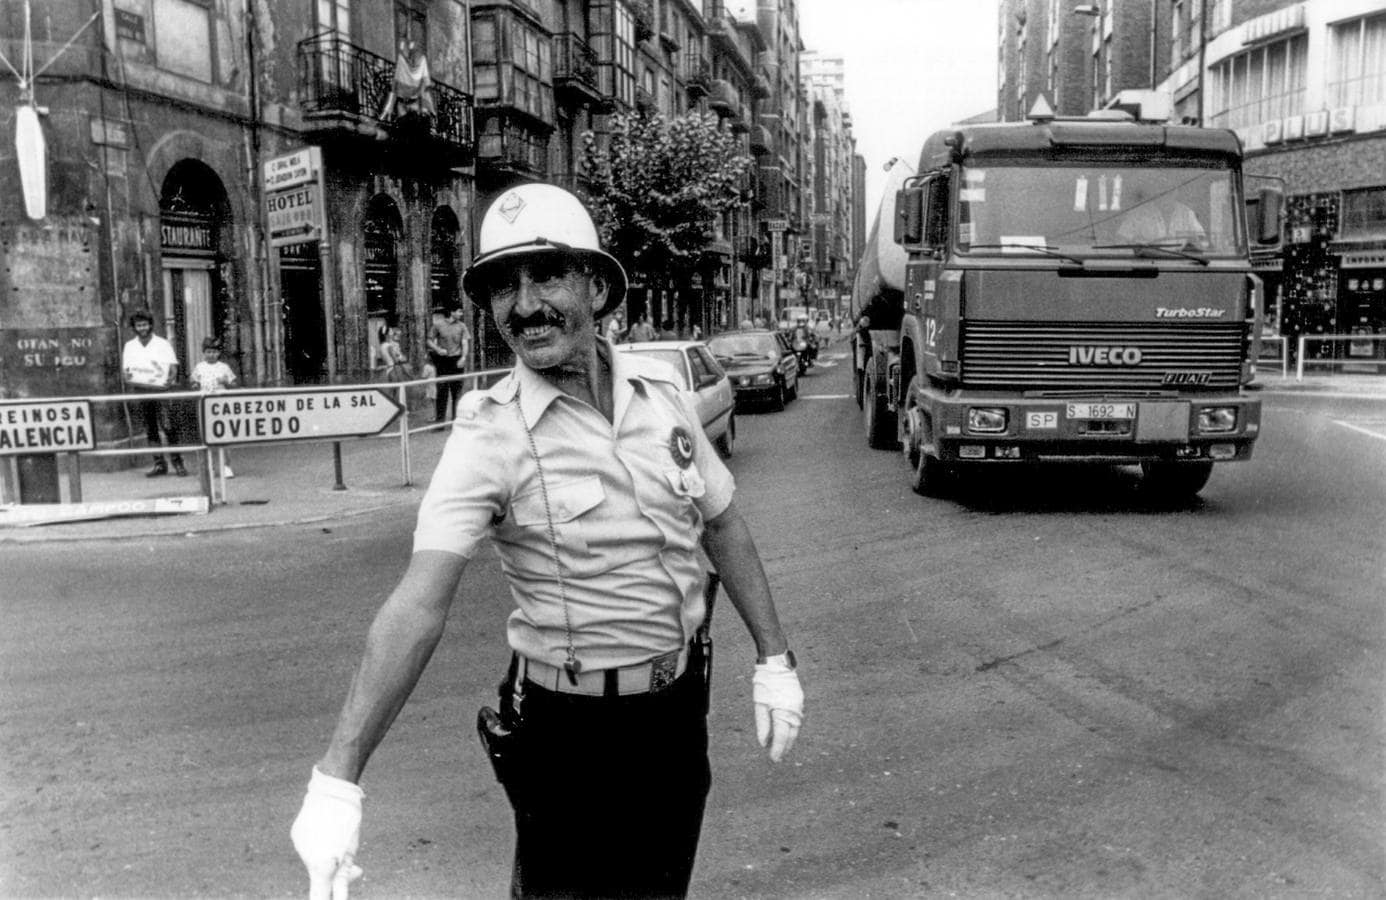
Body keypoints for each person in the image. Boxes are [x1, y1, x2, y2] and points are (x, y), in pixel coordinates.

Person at [290, 183, 804, 900]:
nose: (524, 305)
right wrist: (338, 776)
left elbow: (721, 523)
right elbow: (419, 602)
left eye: (546, 275)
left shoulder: (662, 396)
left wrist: (773, 658)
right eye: (502, 286)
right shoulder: (487, 433)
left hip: (676, 714)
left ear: (595, 286)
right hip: (568, 739)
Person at [122, 310, 187, 478]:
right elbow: (127, 371)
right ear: (134, 327)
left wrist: (170, 379)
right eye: (139, 325)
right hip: (142, 391)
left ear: (150, 325)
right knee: (150, 428)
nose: (142, 328)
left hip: (161, 391)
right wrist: (129, 377)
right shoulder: (130, 346)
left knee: (168, 427)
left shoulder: (162, 343)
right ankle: (159, 464)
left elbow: (172, 367)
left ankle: (178, 463)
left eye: (145, 324)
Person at [190, 336, 237, 478]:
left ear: (219, 353)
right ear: (204, 353)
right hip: (205, 404)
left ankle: (226, 466)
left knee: (224, 435)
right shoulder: (199, 367)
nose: (211, 355)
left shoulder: (224, 367)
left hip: (221, 404)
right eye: (208, 352)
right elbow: (193, 381)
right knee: (206, 436)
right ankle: (208, 466)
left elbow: (233, 383)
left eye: (214, 352)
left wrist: (226, 381)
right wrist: (195, 385)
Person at [1115, 187, 1207, 247]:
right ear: (1156, 192)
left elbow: (1203, 242)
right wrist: (1136, 248)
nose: (1166, 195)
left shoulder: (1187, 214)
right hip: (1145, 267)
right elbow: (1120, 241)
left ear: (1176, 192)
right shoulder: (1138, 213)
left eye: (1171, 191)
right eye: (1163, 191)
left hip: (1179, 266)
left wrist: (1193, 244)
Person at [427, 305, 470, 422]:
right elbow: (429, 340)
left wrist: (463, 357)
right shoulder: (438, 325)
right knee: (442, 392)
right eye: (459, 311)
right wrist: (438, 349)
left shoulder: (462, 326)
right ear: (452, 312)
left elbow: (465, 343)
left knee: (457, 392)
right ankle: (440, 422)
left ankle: (457, 421)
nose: (461, 314)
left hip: (457, 362)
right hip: (443, 362)